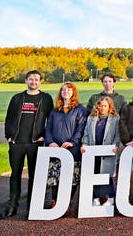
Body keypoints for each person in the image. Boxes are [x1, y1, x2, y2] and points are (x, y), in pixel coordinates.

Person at [0, 70, 53, 219]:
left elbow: (51, 120)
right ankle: (12, 207)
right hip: (17, 143)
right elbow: (9, 118)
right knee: (15, 175)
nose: (33, 82)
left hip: (35, 144)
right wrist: (9, 137)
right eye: (31, 79)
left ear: (40, 81)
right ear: (26, 81)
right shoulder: (17, 98)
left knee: (34, 176)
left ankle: (32, 206)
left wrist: (45, 136)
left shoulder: (46, 99)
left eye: (36, 79)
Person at [44, 82, 88, 216]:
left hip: (72, 150)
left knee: (72, 178)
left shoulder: (80, 109)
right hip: (56, 149)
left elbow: (81, 129)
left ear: (73, 92)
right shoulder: (55, 110)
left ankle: (67, 202)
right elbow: (48, 129)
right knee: (55, 177)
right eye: (63, 90)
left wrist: (73, 142)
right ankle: (55, 201)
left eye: (69, 90)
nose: (66, 92)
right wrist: (50, 142)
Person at [81, 96, 121, 207]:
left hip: (108, 152)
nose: (102, 108)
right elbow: (86, 133)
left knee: (107, 175)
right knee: (95, 174)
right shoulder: (91, 118)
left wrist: (115, 146)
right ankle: (96, 197)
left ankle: (110, 197)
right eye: (101, 105)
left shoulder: (115, 119)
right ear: (97, 106)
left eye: (105, 106)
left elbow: (117, 135)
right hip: (93, 151)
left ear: (109, 107)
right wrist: (85, 144)